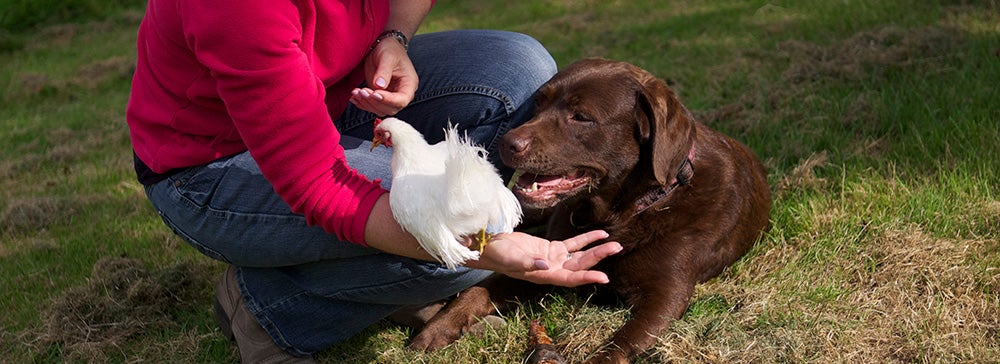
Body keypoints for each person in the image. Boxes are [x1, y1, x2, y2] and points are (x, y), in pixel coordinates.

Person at [125, 0, 622, 362]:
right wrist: (488, 248)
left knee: (520, 67)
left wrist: (393, 38)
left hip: (334, 97)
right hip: (211, 165)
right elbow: (318, 183)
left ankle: (387, 278)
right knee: (455, 224)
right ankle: (268, 307)